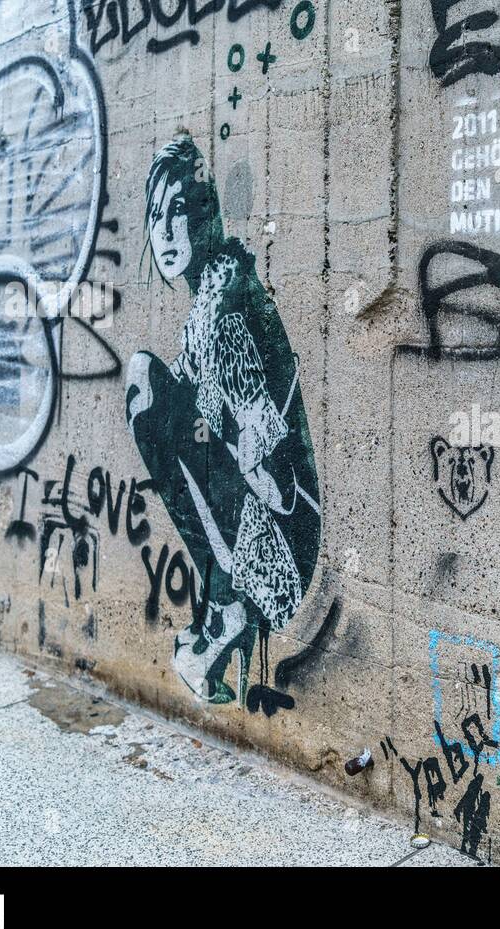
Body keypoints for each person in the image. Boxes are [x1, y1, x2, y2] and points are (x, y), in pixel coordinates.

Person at [126, 135, 321, 703]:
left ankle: (227, 610)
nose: (162, 232)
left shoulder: (220, 316)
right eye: (154, 215)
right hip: (261, 539)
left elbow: (277, 484)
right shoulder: (209, 308)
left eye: (179, 211)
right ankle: (224, 609)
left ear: (206, 215)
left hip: (279, 556)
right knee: (163, 403)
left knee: (146, 386)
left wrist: (226, 442)